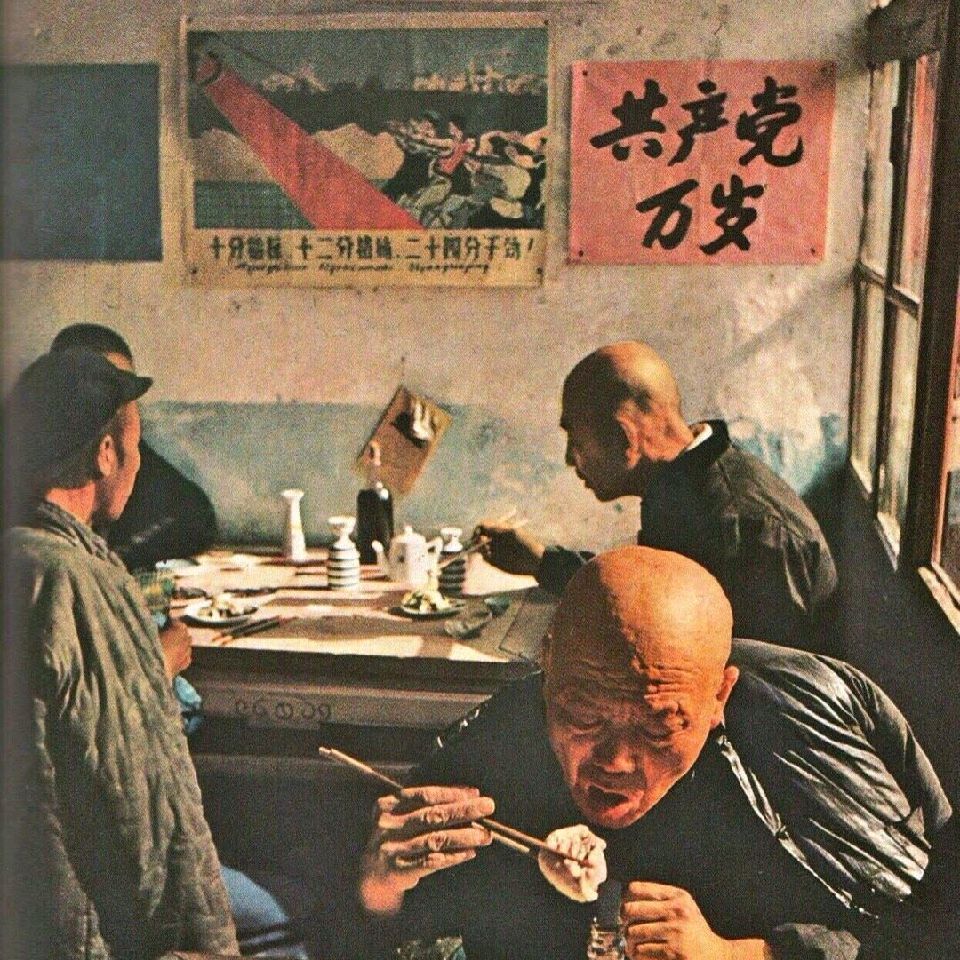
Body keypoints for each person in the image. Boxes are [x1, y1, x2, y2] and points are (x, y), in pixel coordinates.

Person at [355, 547, 956, 960]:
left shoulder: (796, 729)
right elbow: (375, 925)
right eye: (584, 715)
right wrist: (378, 885)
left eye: (659, 727)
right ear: (547, 665)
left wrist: (741, 955)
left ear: (719, 696)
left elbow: (930, 930)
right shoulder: (500, 738)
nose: (615, 762)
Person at [2, 348, 238, 959]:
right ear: (105, 454)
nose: (137, 465)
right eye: (133, 447)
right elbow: (145, 814)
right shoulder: (75, 581)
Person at [476, 340, 838, 652]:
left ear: (625, 438)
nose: (571, 459)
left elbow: (763, 687)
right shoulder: (687, 485)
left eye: (577, 441)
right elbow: (646, 595)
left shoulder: (746, 527)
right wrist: (541, 563)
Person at [50, 322, 217, 571]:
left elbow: (197, 516)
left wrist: (116, 560)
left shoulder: (128, 451)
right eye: (107, 389)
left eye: (128, 395)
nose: (122, 409)